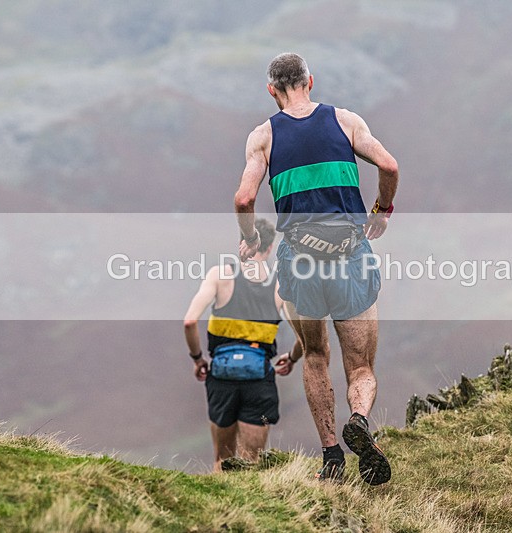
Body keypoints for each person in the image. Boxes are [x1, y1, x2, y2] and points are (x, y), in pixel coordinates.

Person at [234, 53, 399, 484]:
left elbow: (244, 200)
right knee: (360, 367)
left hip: (300, 261)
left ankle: (331, 455)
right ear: (311, 80)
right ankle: (359, 421)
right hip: (349, 254)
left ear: (272, 91)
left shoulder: (263, 137)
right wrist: (382, 209)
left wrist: (253, 241)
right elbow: (389, 165)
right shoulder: (345, 122)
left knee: (316, 357)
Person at [183, 218, 301, 472]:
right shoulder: (279, 285)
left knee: (221, 461)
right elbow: (304, 337)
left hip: (221, 377)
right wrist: (291, 358)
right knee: (251, 463)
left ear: (241, 242)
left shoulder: (219, 275)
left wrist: (198, 359)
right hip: (258, 380)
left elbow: (190, 321)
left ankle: (218, 510)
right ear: (269, 249)